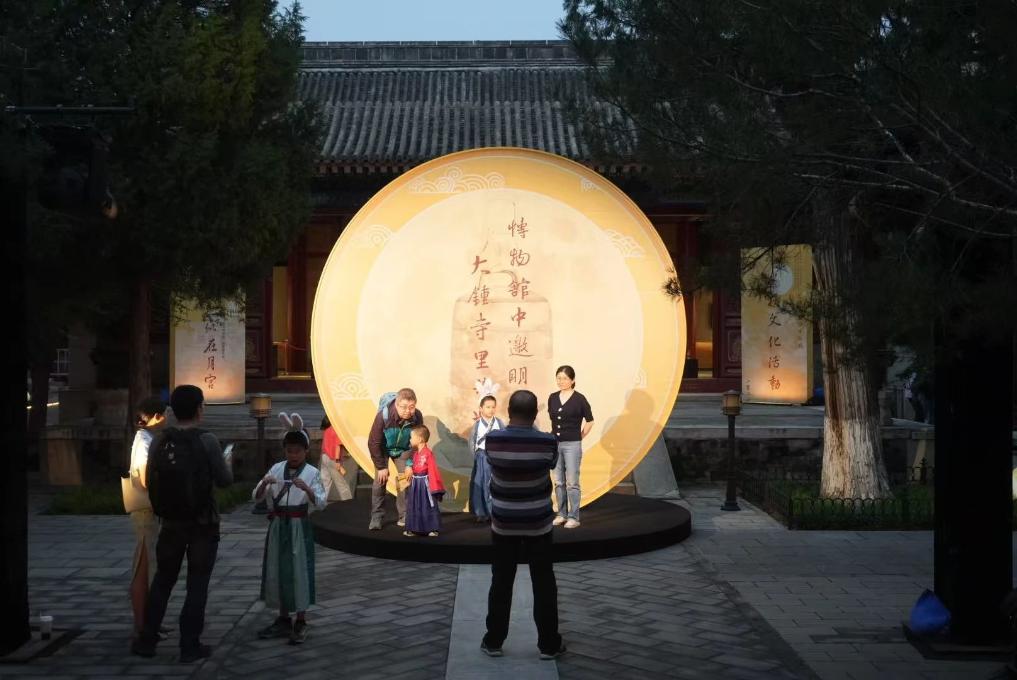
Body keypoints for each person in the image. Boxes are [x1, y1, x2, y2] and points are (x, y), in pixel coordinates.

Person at [131, 385, 233, 663]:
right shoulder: (207, 440)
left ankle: (147, 640)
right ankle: (189, 646)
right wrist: (226, 462)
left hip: (171, 522)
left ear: (173, 411)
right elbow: (224, 481)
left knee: (163, 580)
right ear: (199, 409)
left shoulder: (160, 441)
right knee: (197, 584)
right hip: (203, 523)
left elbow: (150, 481)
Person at [482, 390, 565, 660]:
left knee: (501, 582)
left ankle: (493, 641)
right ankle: (549, 645)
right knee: (544, 583)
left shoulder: (493, 440)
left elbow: (490, 463)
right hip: (538, 524)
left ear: (508, 411)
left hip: (503, 524)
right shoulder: (548, 442)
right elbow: (551, 463)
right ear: (535, 414)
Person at [253, 415, 327, 645]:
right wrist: (265, 484)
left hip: (298, 526)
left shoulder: (312, 473)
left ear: (306, 451)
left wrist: (307, 490)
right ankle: (283, 617)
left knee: (299, 570)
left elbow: (321, 502)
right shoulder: (277, 469)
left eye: (297, 451)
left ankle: (301, 620)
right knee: (277, 568)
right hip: (278, 526)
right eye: (289, 451)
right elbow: (256, 497)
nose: (293, 455)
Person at [126, 396, 167, 641]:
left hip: (151, 510)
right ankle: (141, 625)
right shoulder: (143, 440)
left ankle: (151, 621)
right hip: (145, 510)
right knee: (143, 566)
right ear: (156, 416)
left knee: (151, 566)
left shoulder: (147, 438)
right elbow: (143, 476)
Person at [367, 388, 423, 530]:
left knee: (405, 480)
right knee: (380, 481)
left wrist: (409, 463)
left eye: (411, 407)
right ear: (396, 405)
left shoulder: (417, 417)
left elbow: (418, 442)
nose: (407, 411)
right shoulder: (383, 416)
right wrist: (381, 467)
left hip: (403, 450)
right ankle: (376, 517)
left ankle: (404, 516)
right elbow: (373, 442)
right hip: (383, 449)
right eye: (403, 407)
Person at [548, 365, 593, 529]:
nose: (561, 381)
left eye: (565, 378)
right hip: (555, 444)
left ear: (572, 380)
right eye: (559, 378)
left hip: (572, 444)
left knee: (572, 482)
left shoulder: (579, 399)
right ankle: (561, 514)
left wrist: (579, 437)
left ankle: (574, 516)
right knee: (558, 481)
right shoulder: (553, 397)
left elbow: (590, 421)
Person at [402, 425, 445, 537]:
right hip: (416, 483)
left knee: (427, 505)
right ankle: (413, 528)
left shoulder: (428, 453)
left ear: (420, 439)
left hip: (425, 485)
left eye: (411, 437)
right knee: (415, 505)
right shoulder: (415, 454)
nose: (410, 440)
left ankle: (433, 528)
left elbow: (433, 470)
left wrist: (435, 488)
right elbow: (411, 464)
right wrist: (409, 468)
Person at [467, 395, 504, 522]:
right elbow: (472, 442)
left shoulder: (499, 423)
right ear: (481, 408)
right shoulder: (477, 425)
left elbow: (504, 440)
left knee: (494, 484)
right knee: (480, 484)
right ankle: (481, 513)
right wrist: (477, 457)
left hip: (496, 458)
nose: (491, 410)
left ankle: (495, 512)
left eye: (493, 407)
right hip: (481, 457)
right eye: (488, 407)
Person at [319, 415, 353, 502]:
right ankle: (348, 504)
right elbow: (338, 445)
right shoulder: (337, 428)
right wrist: (337, 461)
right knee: (342, 485)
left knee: (325, 484)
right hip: (333, 459)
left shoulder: (327, 429)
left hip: (324, 457)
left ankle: (320, 503)